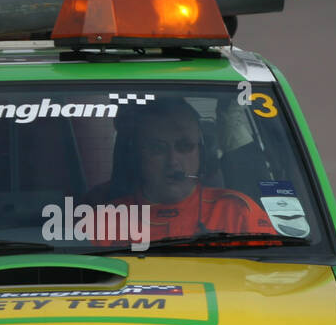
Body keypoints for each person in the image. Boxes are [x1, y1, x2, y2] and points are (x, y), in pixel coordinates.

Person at [100, 100, 275, 242]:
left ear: (203, 153)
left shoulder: (237, 211)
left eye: (185, 147)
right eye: (157, 149)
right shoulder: (105, 220)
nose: (173, 162)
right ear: (136, 156)